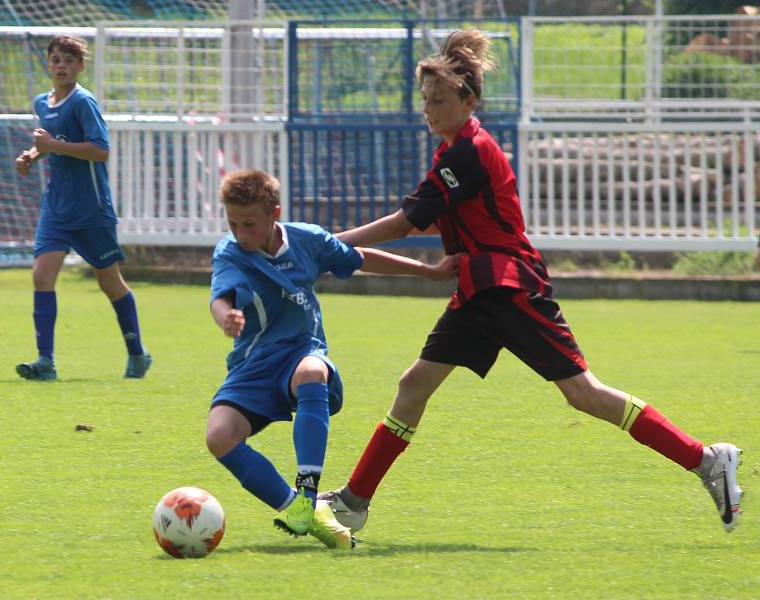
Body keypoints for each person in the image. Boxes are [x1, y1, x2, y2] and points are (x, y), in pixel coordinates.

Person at [319, 29, 744, 534]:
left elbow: (406, 223)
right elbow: (433, 219)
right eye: (425, 101)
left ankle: (705, 459)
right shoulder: (454, 152)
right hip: (480, 289)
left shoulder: (467, 153)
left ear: (468, 100)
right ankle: (354, 500)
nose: (429, 110)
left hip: (507, 286)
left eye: (438, 101)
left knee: (583, 394)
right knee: (414, 384)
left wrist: (323, 244)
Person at [206, 168, 458, 550]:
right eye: (233, 224)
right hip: (253, 364)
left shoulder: (306, 240)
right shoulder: (230, 252)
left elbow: (359, 258)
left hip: (300, 352)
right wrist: (225, 315)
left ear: (275, 212)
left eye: (249, 224)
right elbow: (218, 297)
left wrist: (428, 271)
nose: (241, 233)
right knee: (219, 437)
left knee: (312, 371)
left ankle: (308, 491)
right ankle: (303, 512)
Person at [13, 35, 151, 381]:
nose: (61, 65)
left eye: (69, 61)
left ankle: (137, 353)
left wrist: (53, 145)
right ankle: (45, 362)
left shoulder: (83, 102)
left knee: (109, 282)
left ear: (80, 67)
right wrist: (32, 155)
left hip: (91, 208)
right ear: (48, 64)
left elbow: (100, 150)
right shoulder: (42, 103)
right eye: (56, 59)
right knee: (42, 275)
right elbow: (49, 144)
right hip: (57, 207)